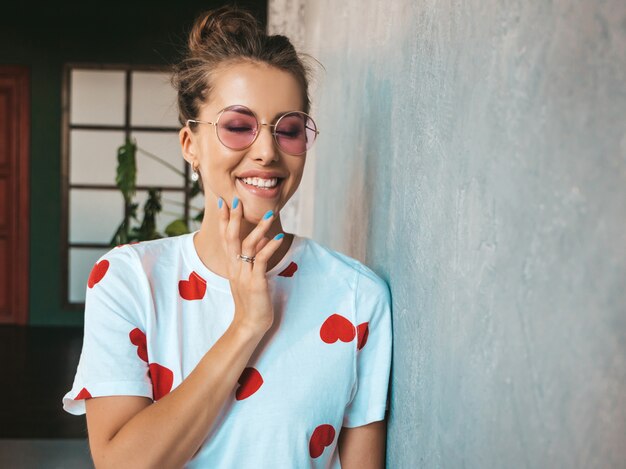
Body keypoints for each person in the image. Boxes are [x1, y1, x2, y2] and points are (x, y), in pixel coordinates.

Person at [63, 6, 392, 468]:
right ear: (190, 144)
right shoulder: (128, 281)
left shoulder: (358, 297)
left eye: (289, 129)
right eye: (238, 127)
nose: (266, 151)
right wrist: (245, 327)